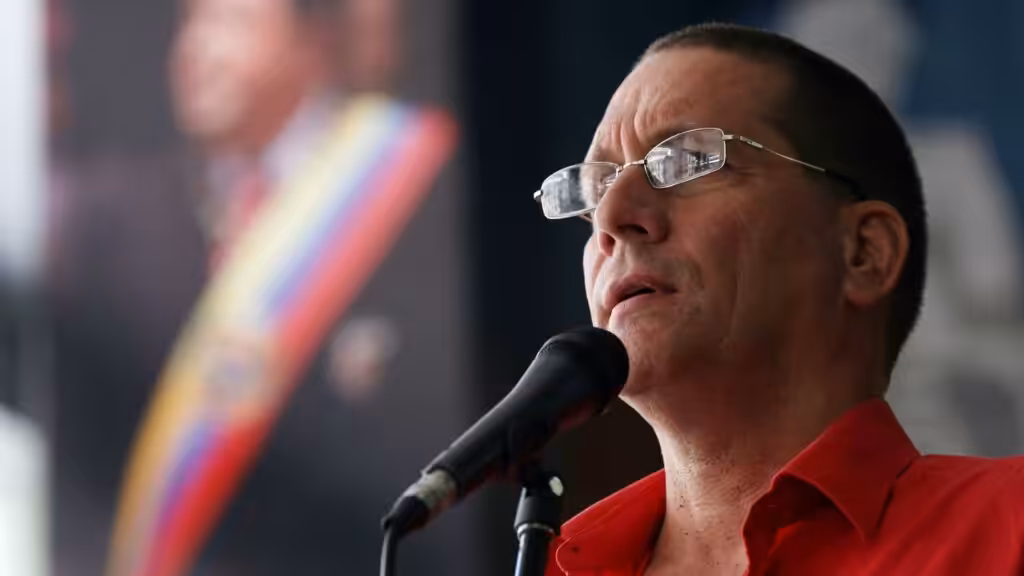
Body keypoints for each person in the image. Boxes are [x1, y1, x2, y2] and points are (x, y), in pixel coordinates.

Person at [533, 23, 1024, 576]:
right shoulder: (556, 563)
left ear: (864, 252)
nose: (610, 217)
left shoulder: (1009, 525)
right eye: (594, 188)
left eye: (688, 160)